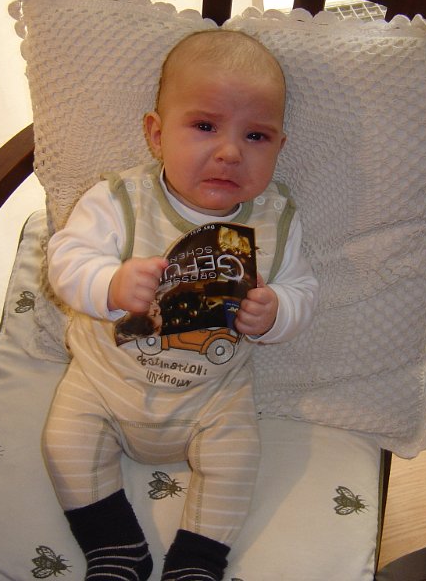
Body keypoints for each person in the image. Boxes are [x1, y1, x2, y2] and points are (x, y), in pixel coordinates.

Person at [43, 29, 319, 581]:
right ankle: (115, 546)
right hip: (105, 381)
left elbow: (303, 289)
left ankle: (197, 560)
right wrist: (109, 284)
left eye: (256, 136)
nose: (230, 152)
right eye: (204, 126)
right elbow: (65, 259)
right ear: (156, 133)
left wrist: (276, 312)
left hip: (212, 397)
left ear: (280, 147)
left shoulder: (275, 221)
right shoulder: (119, 200)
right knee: (64, 442)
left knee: (237, 458)